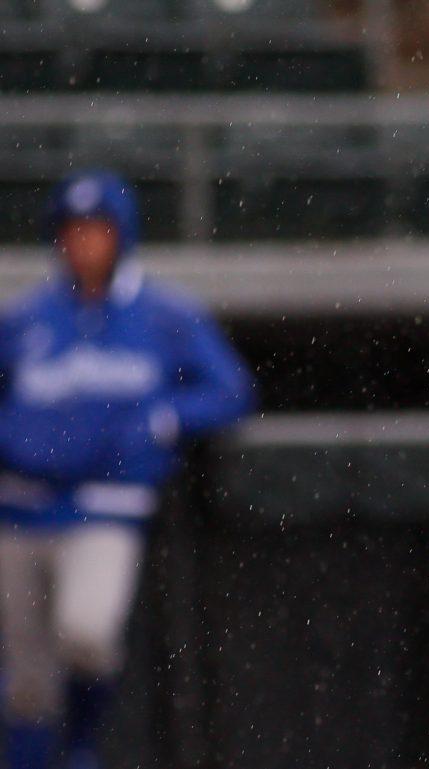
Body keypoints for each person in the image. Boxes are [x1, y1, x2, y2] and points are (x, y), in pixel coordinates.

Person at [0, 170, 255, 769]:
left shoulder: (163, 314)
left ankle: (83, 747)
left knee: (87, 634)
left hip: (105, 506)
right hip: (20, 506)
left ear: (122, 235)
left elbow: (231, 390)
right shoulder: (27, 318)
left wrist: (165, 419)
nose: (84, 243)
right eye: (73, 230)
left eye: (97, 229)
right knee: (28, 680)